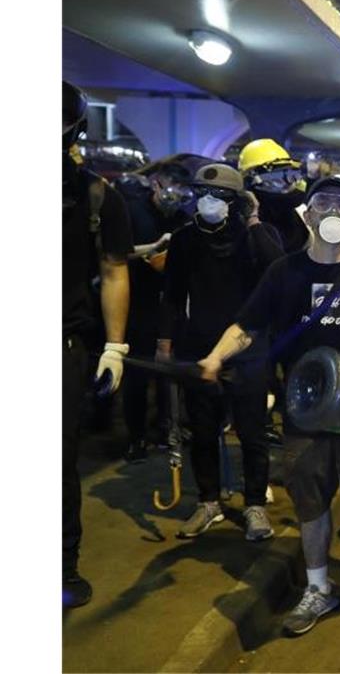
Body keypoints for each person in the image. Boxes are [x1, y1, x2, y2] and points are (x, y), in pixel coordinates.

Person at [197, 176, 340, 638]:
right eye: (322, 202)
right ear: (309, 212)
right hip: (304, 412)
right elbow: (246, 325)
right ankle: (319, 588)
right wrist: (216, 356)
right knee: (310, 503)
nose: (332, 213)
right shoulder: (283, 273)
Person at [159, 163, 284, 540]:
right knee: (202, 429)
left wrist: (255, 220)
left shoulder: (253, 235)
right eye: (203, 193)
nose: (209, 201)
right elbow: (172, 295)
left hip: (248, 348)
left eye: (220, 196)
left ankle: (254, 506)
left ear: (238, 202)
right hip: (198, 345)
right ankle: (209, 501)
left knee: (252, 430)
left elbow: (277, 265)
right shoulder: (184, 240)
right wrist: (165, 344)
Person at [63, 81, 133, 608]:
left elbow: (114, 272)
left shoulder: (95, 196)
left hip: (64, 342)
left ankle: (62, 565)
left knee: (56, 460)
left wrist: (115, 347)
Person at [115, 156, 202, 461]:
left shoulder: (183, 217)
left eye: (183, 193)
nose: (177, 198)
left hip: (171, 305)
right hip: (137, 303)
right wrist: (152, 248)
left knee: (170, 373)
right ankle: (136, 437)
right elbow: (117, 254)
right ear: (156, 184)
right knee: (137, 374)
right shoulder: (133, 211)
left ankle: (168, 427)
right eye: (172, 190)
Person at [239, 138, 310, 254]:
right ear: (251, 181)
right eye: (276, 178)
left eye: (291, 175)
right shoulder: (242, 223)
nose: (288, 184)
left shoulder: (302, 212)